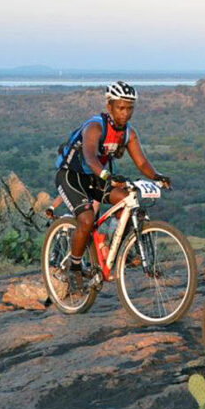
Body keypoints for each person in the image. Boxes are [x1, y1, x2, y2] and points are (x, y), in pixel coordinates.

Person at [54, 81, 171, 290]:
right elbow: (90, 157)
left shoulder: (128, 133)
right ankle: (74, 267)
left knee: (128, 200)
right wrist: (108, 175)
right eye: (121, 108)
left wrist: (158, 176)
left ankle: (113, 246)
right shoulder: (95, 126)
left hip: (97, 177)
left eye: (130, 108)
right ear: (110, 106)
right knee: (87, 218)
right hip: (72, 175)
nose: (125, 113)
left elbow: (142, 162)